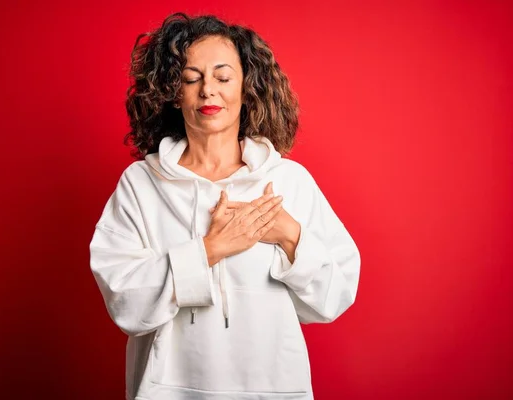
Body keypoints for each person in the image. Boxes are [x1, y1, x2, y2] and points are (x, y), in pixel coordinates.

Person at [89, 12, 361, 400]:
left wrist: (289, 235)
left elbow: (333, 297)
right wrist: (210, 249)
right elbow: (124, 301)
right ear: (171, 91)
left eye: (222, 77)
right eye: (191, 78)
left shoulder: (288, 181)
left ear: (247, 88)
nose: (207, 91)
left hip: (275, 390)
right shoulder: (141, 185)